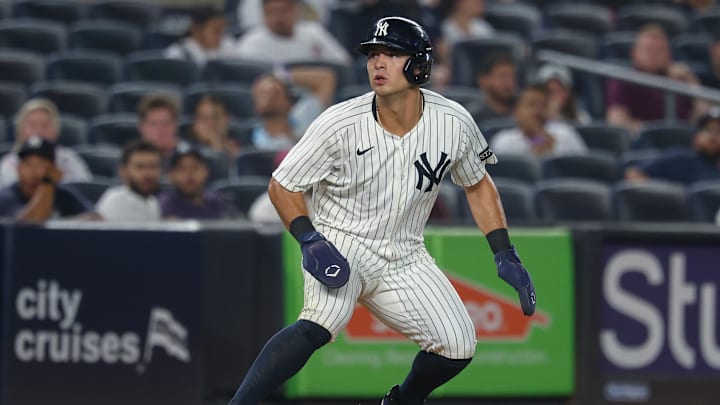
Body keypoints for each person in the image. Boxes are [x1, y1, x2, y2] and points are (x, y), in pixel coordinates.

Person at [227, 16, 536, 405]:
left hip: (405, 254)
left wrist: (503, 250)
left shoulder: (453, 122)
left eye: (391, 54)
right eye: (373, 54)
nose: (378, 62)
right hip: (342, 241)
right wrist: (310, 238)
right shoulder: (339, 122)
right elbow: (283, 185)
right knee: (319, 325)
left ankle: (402, 401)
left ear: (419, 65)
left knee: (458, 345)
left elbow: (476, 182)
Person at [606, 24, 706, 132]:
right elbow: (617, 121)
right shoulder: (624, 79)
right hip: (642, 143)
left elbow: (704, 118)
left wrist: (690, 80)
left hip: (681, 143)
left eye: (659, 51)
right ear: (634, 53)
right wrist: (654, 132)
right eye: (648, 50)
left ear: (669, 55)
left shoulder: (679, 80)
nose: (653, 56)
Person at [0, 98, 91, 187]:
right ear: (21, 131)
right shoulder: (8, 164)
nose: (39, 131)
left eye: (45, 125)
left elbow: (84, 190)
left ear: (55, 131)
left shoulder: (70, 160)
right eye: (33, 125)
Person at [0, 136, 94, 221]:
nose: (34, 171)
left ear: (52, 169)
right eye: (28, 164)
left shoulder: (62, 194)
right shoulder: (7, 196)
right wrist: (48, 182)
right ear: (18, 169)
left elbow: (95, 218)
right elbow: (29, 224)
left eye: (41, 164)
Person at [234, 0, 350, 65]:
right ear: (263, 14)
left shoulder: (313, 31)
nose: (278, 17)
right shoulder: (250, 43)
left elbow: (343, 63)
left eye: (284, 11)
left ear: (296, 10)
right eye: (272, 12)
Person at [625, 108, 720, 185]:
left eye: (719, 131)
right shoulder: (681, 159)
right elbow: (634, 174)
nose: (713, 135)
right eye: (708, 130)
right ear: (696, 137)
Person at [250, 66, 336, 150]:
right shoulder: (253, 139)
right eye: (262, 94)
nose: (269, 97)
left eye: (275, 92)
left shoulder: (302, 116)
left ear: (288, 103)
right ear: (255, 106)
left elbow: (327, 79)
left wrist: (280, 75)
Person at [491, 84, 588, 157]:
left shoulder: (566, 134)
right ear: (517, 111)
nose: (537, 110)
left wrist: (539, 136)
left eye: (543, 105)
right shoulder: (504, 141)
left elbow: (583, 170)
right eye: (531, 104)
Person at [159, 142, 233, 219]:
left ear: (206, 171)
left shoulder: (217, 202)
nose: (189, 174)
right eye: (181, 168)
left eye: (195, 167)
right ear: (171, 175)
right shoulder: (164, 206)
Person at [96, 140, 162, 222]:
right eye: (140, 167)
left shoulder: (153, 202)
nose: (148, 173)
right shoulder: (116, 201)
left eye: (153, 166)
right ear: (124, 172)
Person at [164, 7, 237, 68]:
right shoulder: (177, 54)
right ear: (196, 29)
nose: (220, 36)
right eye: (216, 31)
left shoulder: (227, 48)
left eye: (223, 31)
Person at [470, 53, 517, 122]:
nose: (509, 83)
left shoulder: (522, 113)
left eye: (512, 77)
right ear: (483, 80)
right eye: (502, 76)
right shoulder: (473, 117)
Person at [137, 94, 180, 161]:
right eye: (154, 124)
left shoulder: (190, 158)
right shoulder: (131, 160)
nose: (161, 129)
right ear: (141, 127)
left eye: (166, 123)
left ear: (176, 126)